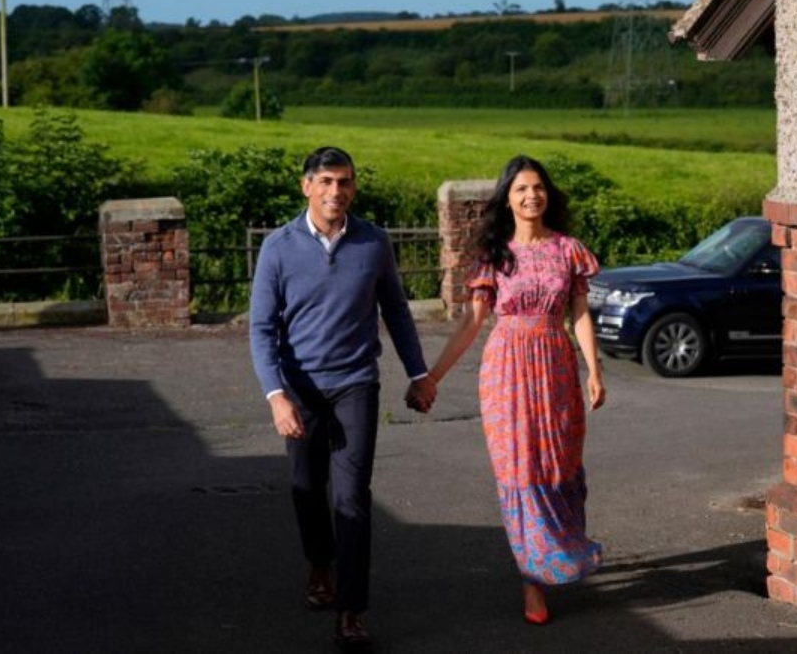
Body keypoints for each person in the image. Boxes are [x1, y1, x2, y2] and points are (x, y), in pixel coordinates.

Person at [249, 146, 437, 651]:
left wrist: (419, 374)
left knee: (351, 498)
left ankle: (351, 609)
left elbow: (396, 310)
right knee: (306, 487)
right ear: (306, 186)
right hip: (300, 388)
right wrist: (277, 397)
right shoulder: (278, 247)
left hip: (356, 382)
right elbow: (262, 329)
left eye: (346, 182)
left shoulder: (373, 242)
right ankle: (318, 563)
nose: (337, 191)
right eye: (327, 181)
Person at [425, 154, 606, 625]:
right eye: (522, 189)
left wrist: (594, 369)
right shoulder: (494, 257)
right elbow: (472, 322)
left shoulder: (569, 249)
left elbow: (579, 314)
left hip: (557, 364)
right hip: (507, 371)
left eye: (539, 187)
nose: (532, 195)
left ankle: (562, 550)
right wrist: (433, 376)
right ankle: (532, 580)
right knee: (520, 470)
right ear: (508, 198)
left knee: (559, 464)